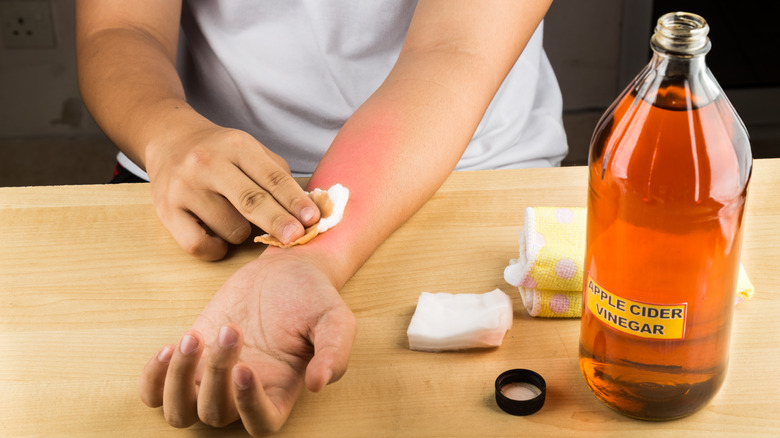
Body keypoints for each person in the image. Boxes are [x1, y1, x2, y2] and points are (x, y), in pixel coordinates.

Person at [75, 0, 566, 435]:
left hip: (459, 160)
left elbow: (454, 48)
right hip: (198, 170)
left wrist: (304, 258)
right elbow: (118, 26)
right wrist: (167, 133)